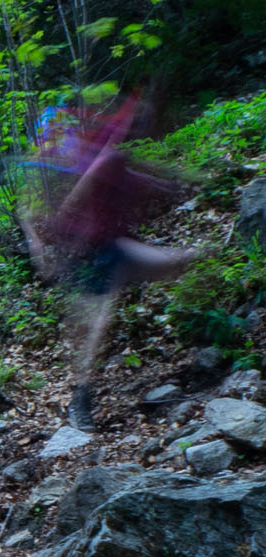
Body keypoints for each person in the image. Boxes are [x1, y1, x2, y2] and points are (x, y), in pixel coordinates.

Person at [19, 95, 202, 429]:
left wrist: (176, 186)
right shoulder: (94, 160)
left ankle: (81, 397)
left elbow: (135, 178)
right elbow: (61, 207)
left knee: (186, 262)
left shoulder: (108, 157)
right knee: (95, 328)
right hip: (95, 254)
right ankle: (80, 400)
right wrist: (50, 244)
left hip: (113, 249)